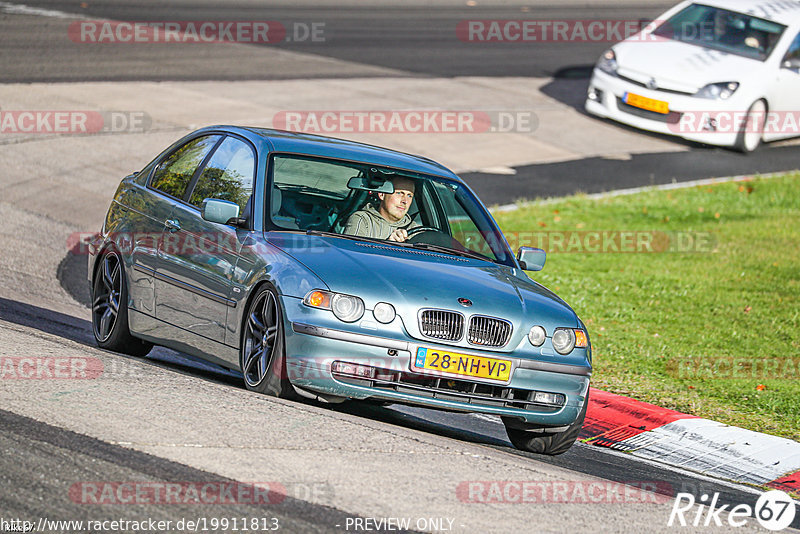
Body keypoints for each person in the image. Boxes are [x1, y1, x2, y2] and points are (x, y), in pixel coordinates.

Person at [344, 175, 420, 242]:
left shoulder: (416, 230)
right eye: (399, 193)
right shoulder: (363, 220)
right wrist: (389, 244)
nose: (405, 201)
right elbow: (352, 255)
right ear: (382, 195)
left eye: (409, 196)